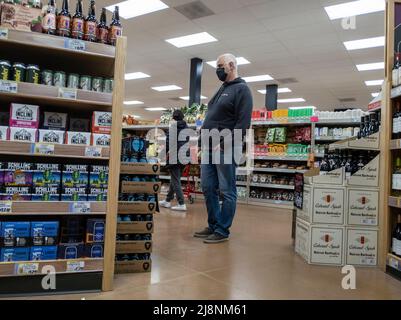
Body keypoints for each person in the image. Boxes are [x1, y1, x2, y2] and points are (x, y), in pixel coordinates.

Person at [194, 53, 253, 244]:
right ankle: (213, 224)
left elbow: (243, 123)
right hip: (209, 146)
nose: (218, 70)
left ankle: (222, 230)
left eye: (221, 66)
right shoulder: (222, 88)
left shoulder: (242, 89)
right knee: (208, 187)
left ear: (232, 65)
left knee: (227, 190)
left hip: (226, 148)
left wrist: (225, 142)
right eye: (217, 66)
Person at [159, 109, 188, 211]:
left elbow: (168, 143)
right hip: (185, 156)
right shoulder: (187, 128)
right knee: (174, 179)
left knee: (175, 180)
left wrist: (163, 153)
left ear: (173, 118)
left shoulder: (173, 127)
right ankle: (167, 200)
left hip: (175, 156)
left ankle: (181, 203)